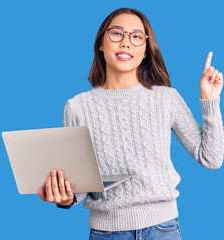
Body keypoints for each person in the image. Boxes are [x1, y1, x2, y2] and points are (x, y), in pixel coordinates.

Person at [37, 7, 224, 240]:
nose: (126, 43)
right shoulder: (77, 107)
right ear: (101, 43)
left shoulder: (166, 98)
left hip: (163, 230)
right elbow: (81, 187)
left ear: (145, 50)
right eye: (117, 33)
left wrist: (211, 100)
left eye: (136, 37)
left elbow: (211, 158)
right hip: (107, 233)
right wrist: (65, 198)